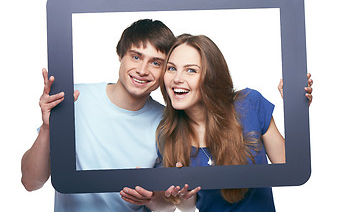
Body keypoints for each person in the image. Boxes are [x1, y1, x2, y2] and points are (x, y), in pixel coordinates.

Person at [121, 33, 313, 211]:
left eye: (191, 70)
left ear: (210, 76)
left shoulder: (249, 103)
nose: (177, 78)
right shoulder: (167, 134)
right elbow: (187, 207)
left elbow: (289, 166)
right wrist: (172, 196)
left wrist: (295, 108)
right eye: (171, 68)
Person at [21, 19, 177, 212]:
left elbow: (168, 206)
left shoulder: (167, 122)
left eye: (156, 63)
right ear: (121, 55)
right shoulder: (74, 98)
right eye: (136, 57)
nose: (143, 70)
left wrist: (151, 198)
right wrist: (47, 128)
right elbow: (30, 182)